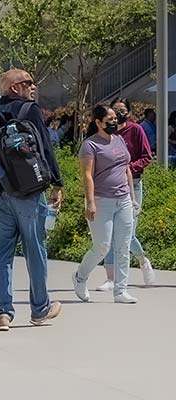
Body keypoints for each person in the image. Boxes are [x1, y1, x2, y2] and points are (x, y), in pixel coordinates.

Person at [0, 68, 64, 331]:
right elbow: (45, 148)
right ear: (14, 88)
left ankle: (3, 313)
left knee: (0, 253)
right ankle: (40, 309)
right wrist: (57, 182)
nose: (33, 87)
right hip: (28, 193)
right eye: (28, 83)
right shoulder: (30, 111)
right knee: (35, 250)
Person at [72, 105, 141, 304]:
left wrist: (132, 196)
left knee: (123, 246)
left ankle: (121, 291)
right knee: (102, 246)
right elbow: (87, 175)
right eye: (109, 119)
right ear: (98, 123)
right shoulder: (90, 145)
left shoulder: (119, 140)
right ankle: (80, 277)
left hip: (124, 200)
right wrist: (90, 203)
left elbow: (126, 168)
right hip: (102, 200)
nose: (113, 121)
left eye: (115, 118)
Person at [97, 105, 158, 287]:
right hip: (110, 187)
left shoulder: (136, 130)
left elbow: (146, 157)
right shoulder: (108, 135)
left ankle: (142, 261)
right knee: (110, 233)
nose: (118, 114)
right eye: (115, 111)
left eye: (122, 110)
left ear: (128, 113)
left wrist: (127, 169)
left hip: (134, 185)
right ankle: (110, 278)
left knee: (127, 233)